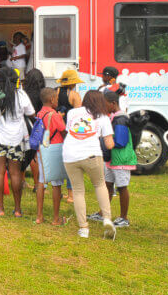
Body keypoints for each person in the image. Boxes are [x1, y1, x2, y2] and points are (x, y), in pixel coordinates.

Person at [63, 90, 116, 239]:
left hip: (70, 155)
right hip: (92, 154)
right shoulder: (103, 117)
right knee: (99, 184)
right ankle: (107, 219)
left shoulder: (72, 113)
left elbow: (70, 131)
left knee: (78, 191)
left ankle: (83, 228)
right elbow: (109, 144)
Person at [0, 66, 35, 217]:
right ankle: (17, 210)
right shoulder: (21, 95)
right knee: (15, 174)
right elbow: (31, 113)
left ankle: (0, 209)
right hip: (16, 140)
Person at [88, 91, 137, 227]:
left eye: (105, 105)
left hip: (121, 160)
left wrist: (103, 141)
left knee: (122, 188)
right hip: (112, 160)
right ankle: (102, 213)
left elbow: (120, 141)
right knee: (108, 185)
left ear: (113, 104)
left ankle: (123, 218)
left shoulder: (120, 119)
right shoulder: (113, 117)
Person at [34, 88, 67, 225]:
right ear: (52, 100)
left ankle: (39, 216)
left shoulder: (39, 113)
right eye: (57, 98)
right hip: (54, 149)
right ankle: (55, 218)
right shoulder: (54, 115)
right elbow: (63, 131)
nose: (58, 101)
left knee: (41, 181)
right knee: (56, 184)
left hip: (41, 149)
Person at [56, 68, 83, 203]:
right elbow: (79, 114)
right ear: (73, 83)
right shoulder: (74, 95)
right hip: (70, 131)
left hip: (58, 130)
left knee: (60, 161)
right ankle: (71, 195)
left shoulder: (56, 92)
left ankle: (60, 191)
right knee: (71, 162)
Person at [23, 68, 46, 187]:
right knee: (35, 155)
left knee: (23, 153)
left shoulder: (24, 93)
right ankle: (38, 184)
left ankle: (22, 181)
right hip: (36, 126)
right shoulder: (42, 94)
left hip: (24, 125)